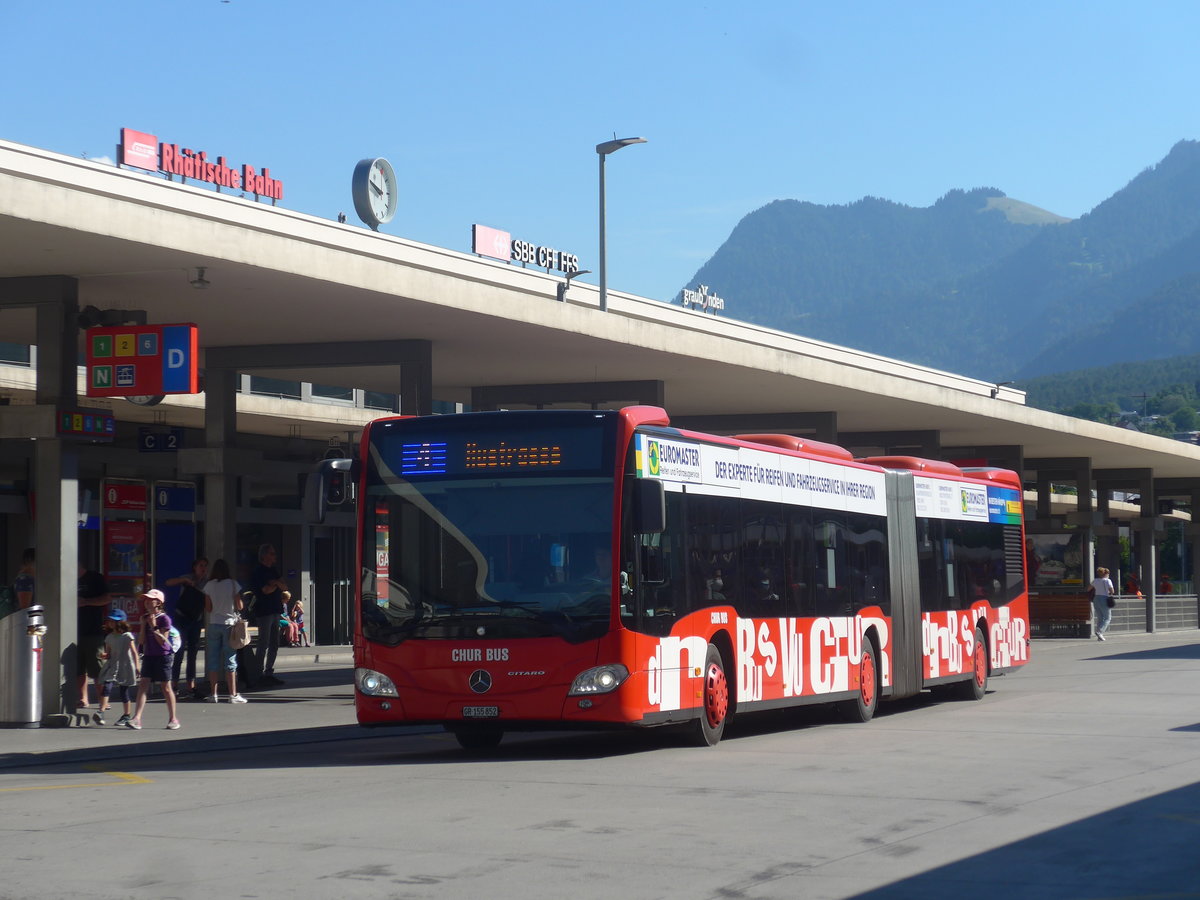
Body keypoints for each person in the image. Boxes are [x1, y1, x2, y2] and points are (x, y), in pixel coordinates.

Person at [127, 589, 180, 730]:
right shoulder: (145, 617)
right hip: (149, 655)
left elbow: (162, 641)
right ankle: (136, 718)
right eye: (146, 599)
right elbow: (142, 641)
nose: (147, 602)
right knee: (143, 684)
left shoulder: (164, 619)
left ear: (159, 603)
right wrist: (144, 625)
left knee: (166, 687)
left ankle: (173, 718)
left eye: (151, 600)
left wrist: (153, 625)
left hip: (163, 656)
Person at [203, 558, 247, 703]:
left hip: (214, 624)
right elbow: (240, 606)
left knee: (213, 659)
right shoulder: (233, 584)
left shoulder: (209, 585)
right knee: (230, 659)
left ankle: (213, 694)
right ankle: (232, 694)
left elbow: (208, 608)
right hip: (229, 624)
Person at [164, 557, 209, 699]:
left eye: (205, 566)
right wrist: (184, 581)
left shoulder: (207, 582)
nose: (203, 568)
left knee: (193, 653)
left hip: (196, 619)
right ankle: (174, 685)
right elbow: (168, 582)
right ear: (194, 567)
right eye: (201, 565)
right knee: (178, 651)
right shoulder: (187, 578)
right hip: (182, 618)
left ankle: (191, 686)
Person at [249, 544, 287, 686]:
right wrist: (276, 584)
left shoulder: (274, 571)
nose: (274, 556)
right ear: (264, 555)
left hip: (276, 610)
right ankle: (258, 674)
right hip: (264, 611)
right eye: (272, 553)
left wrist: (275, 583)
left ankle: (269, 672)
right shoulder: (258, 571)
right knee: (263, 643)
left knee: (274, 643)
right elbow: (265, 590)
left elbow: (284, 586)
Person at [95, 609, 138, 727]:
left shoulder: (127, 636)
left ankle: (126, 715)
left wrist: (137, 667)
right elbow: (108, 653)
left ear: (121, 622)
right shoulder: (109, 637)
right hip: (113, 665)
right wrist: (104, 655)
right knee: (107, 686)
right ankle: (101, 712)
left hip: (125, 666)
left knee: (124, 691)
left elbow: (134, 652)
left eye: (114, 621)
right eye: (110, 621)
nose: (111, 623)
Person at [77, 565, 111, 709]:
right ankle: (82, 698)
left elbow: (107, 598)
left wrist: (85, 602)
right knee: (78, 668)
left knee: (97, 669)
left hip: (93, 630)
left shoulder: (95, 578)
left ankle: (103, 700)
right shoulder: (66, 578)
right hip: (73, 630)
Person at [1091, 566, 1116, 642]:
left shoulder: (1095, 580)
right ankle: (1100, 632)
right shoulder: (1108, 581)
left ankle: (1099, 636)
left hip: (1096, 599)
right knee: (1108, 618)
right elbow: (1112, 591)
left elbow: (1088, 588)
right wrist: (1109, 592)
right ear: (1106, 574)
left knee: (1100, 617)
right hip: (1104, 599)